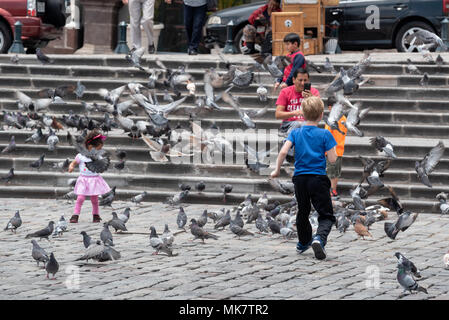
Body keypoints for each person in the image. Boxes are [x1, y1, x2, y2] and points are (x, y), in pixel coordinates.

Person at [271, 96, 337, 260]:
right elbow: (333, 159)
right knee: (326, 215)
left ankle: (303, 242)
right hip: (318, 178)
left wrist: (277, 170)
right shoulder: (325, 134)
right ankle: (319, 239)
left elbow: (283, 152)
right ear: (321, 115)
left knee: (303, 211)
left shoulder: (295, 132)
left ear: (303, 115)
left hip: (300, 179)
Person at [68, 130, 111, 223]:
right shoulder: (81, 156)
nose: (99, 151)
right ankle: (75, 215)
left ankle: (96, 215)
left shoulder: (98, 156)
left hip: (94, 179)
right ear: (91, 146)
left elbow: (101, 165)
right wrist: (71, 166)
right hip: (83, 180)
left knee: (94, 199)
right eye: (98, 149)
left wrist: (101, 167)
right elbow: (74, 162)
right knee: (80, 198)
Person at [324, 96, 347, 199]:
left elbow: (328, 135)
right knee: (334, 172)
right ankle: (333, 190)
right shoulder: (342, 118)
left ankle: (332, 190)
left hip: (332, 150)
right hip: (338, 149)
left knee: (332, 172)